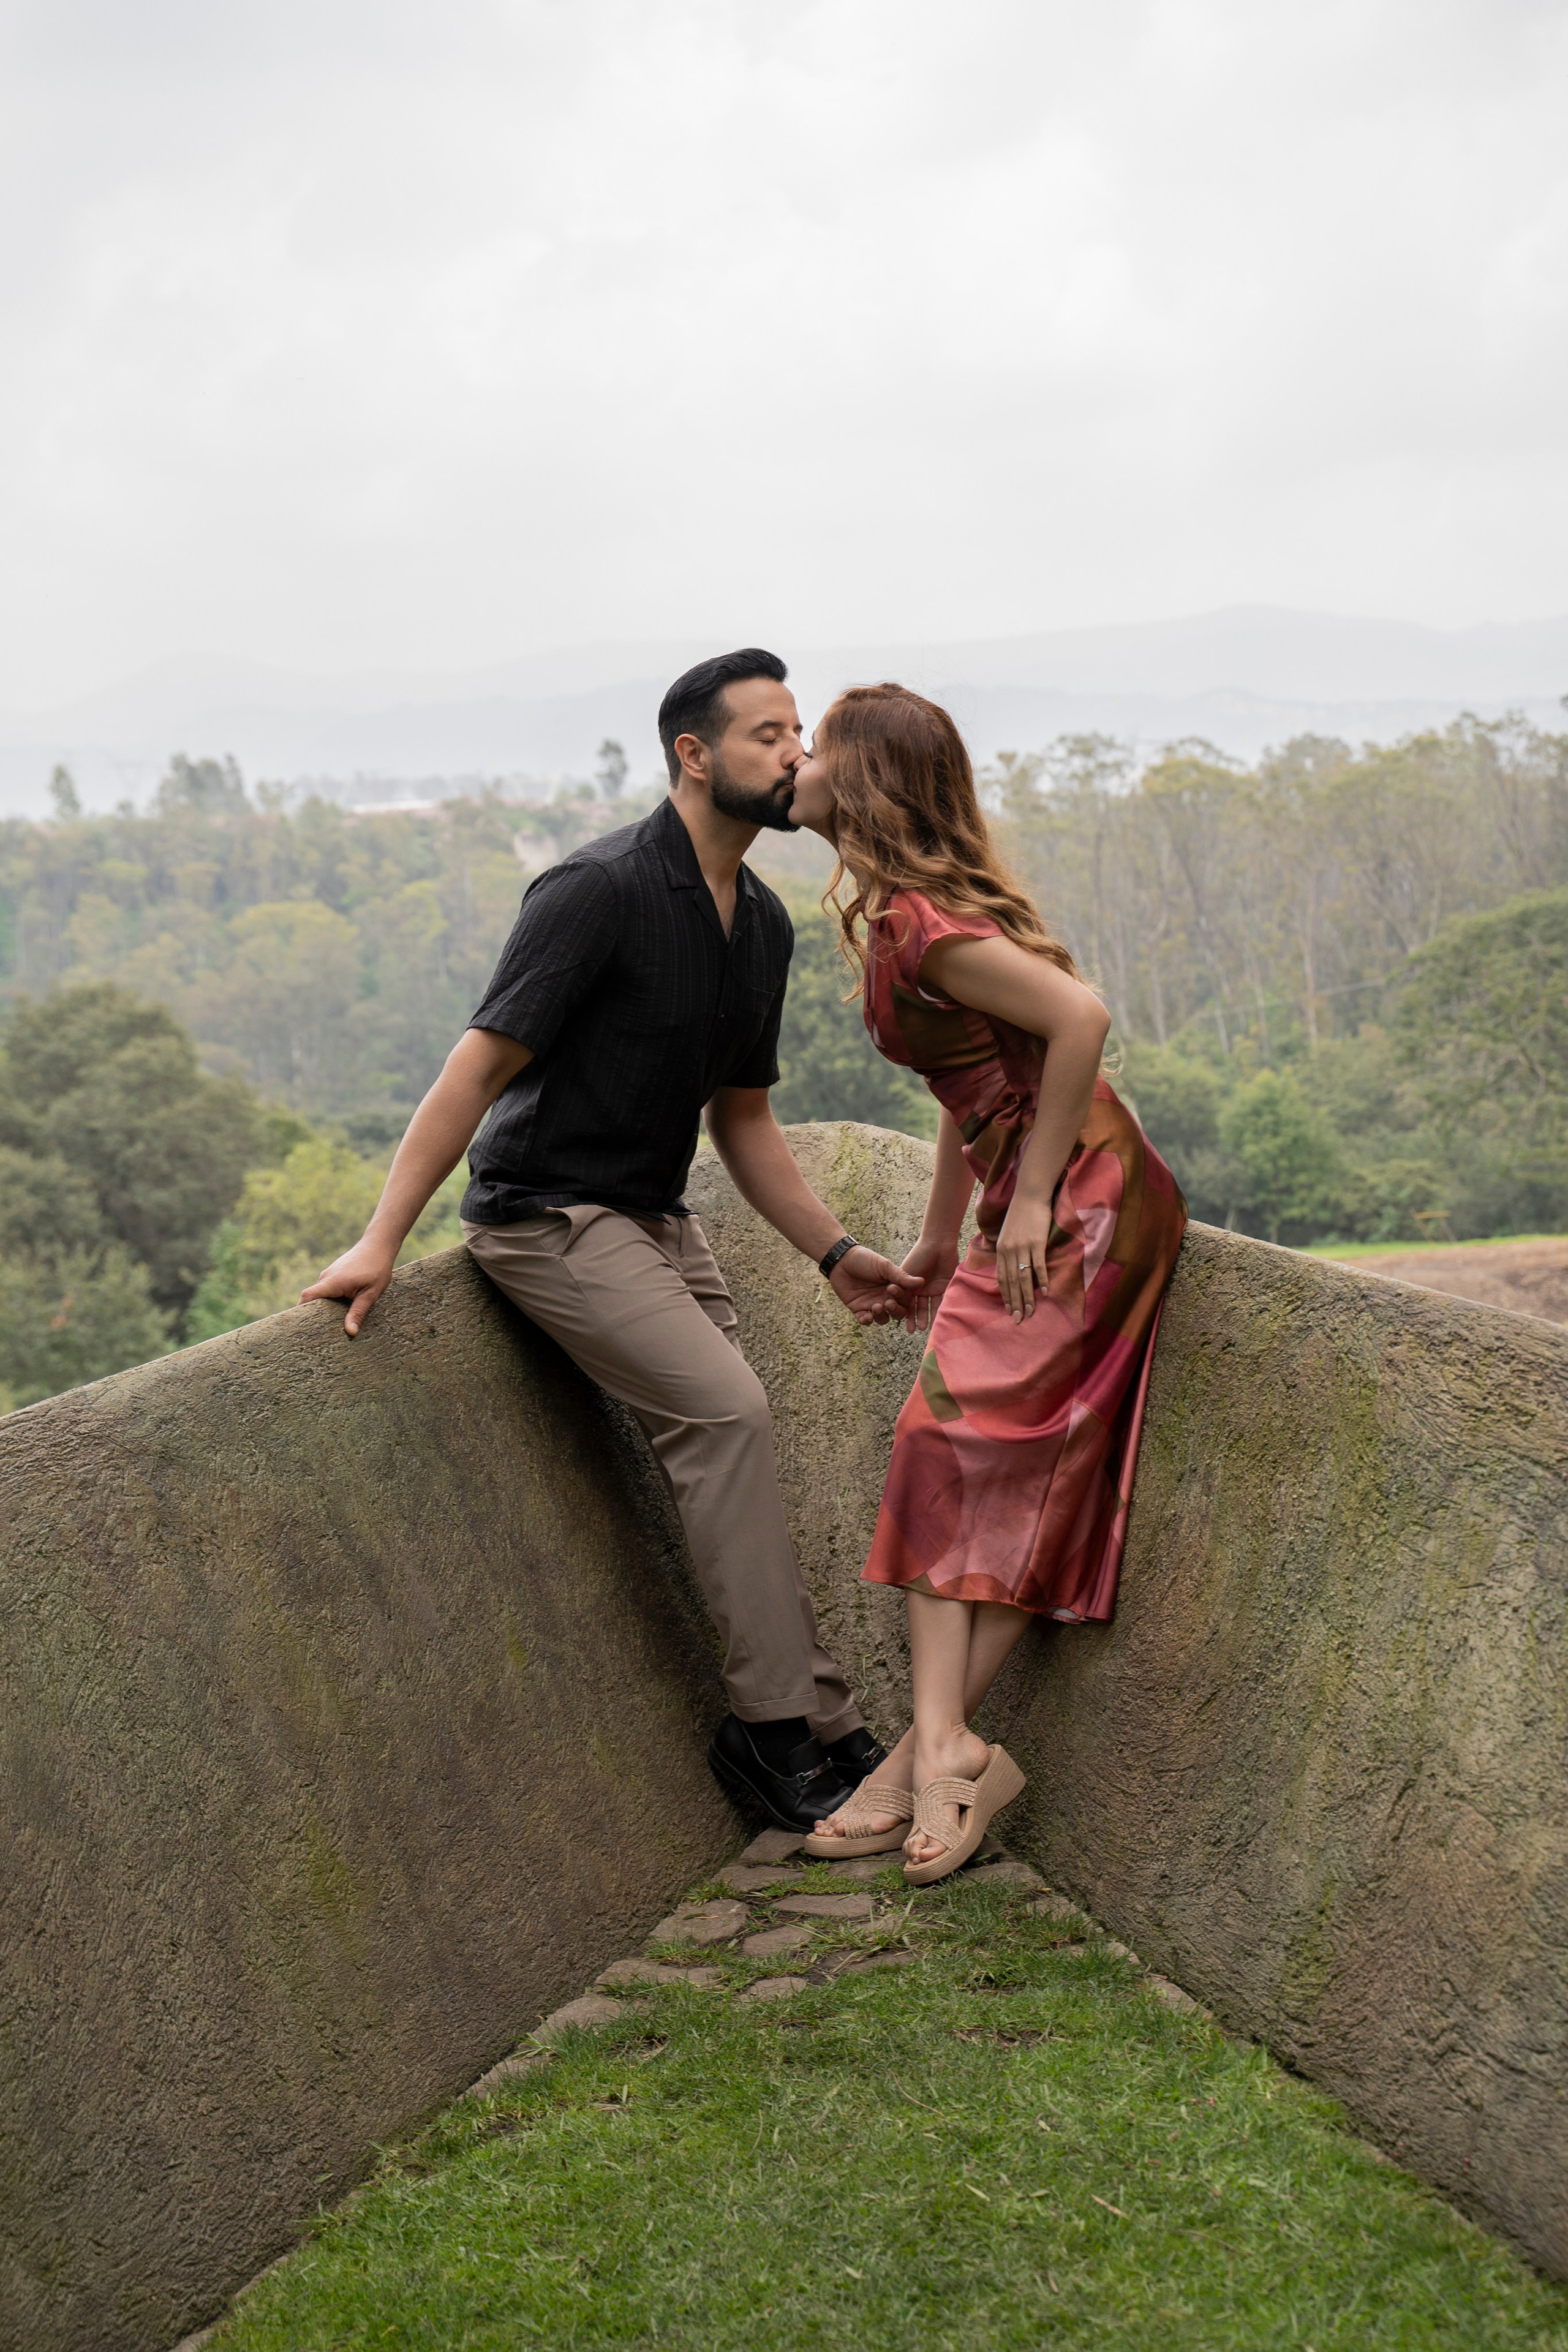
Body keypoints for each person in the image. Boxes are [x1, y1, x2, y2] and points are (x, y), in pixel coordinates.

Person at [301, 649, 919, 1833]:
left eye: (799, 735)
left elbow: (742, 1120)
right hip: (546, 1217)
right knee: (729, 1415)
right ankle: (775, 1733)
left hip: (655, 1217)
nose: (797, 757)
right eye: (766, 737)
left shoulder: (764, 929)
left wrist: (836, 1255)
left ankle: (823, 1720)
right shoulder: (596, 891)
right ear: (692, 756)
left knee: (735, 1439)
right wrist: (384, 1239)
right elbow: (474, 1070)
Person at [786, 685, 1188, 1883]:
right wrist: (931, 1241)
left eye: (812, 748)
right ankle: (939, 1750)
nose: (794, 764)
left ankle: (931, 1752)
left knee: (941, 1451)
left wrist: (1022, 1202)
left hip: (1087, 1209)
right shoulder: (893, 921)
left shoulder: (925, 927)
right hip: (1034, 1201)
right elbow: (974, 1095)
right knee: (951, 1468)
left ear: (858, 781)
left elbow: (1078, 1019)